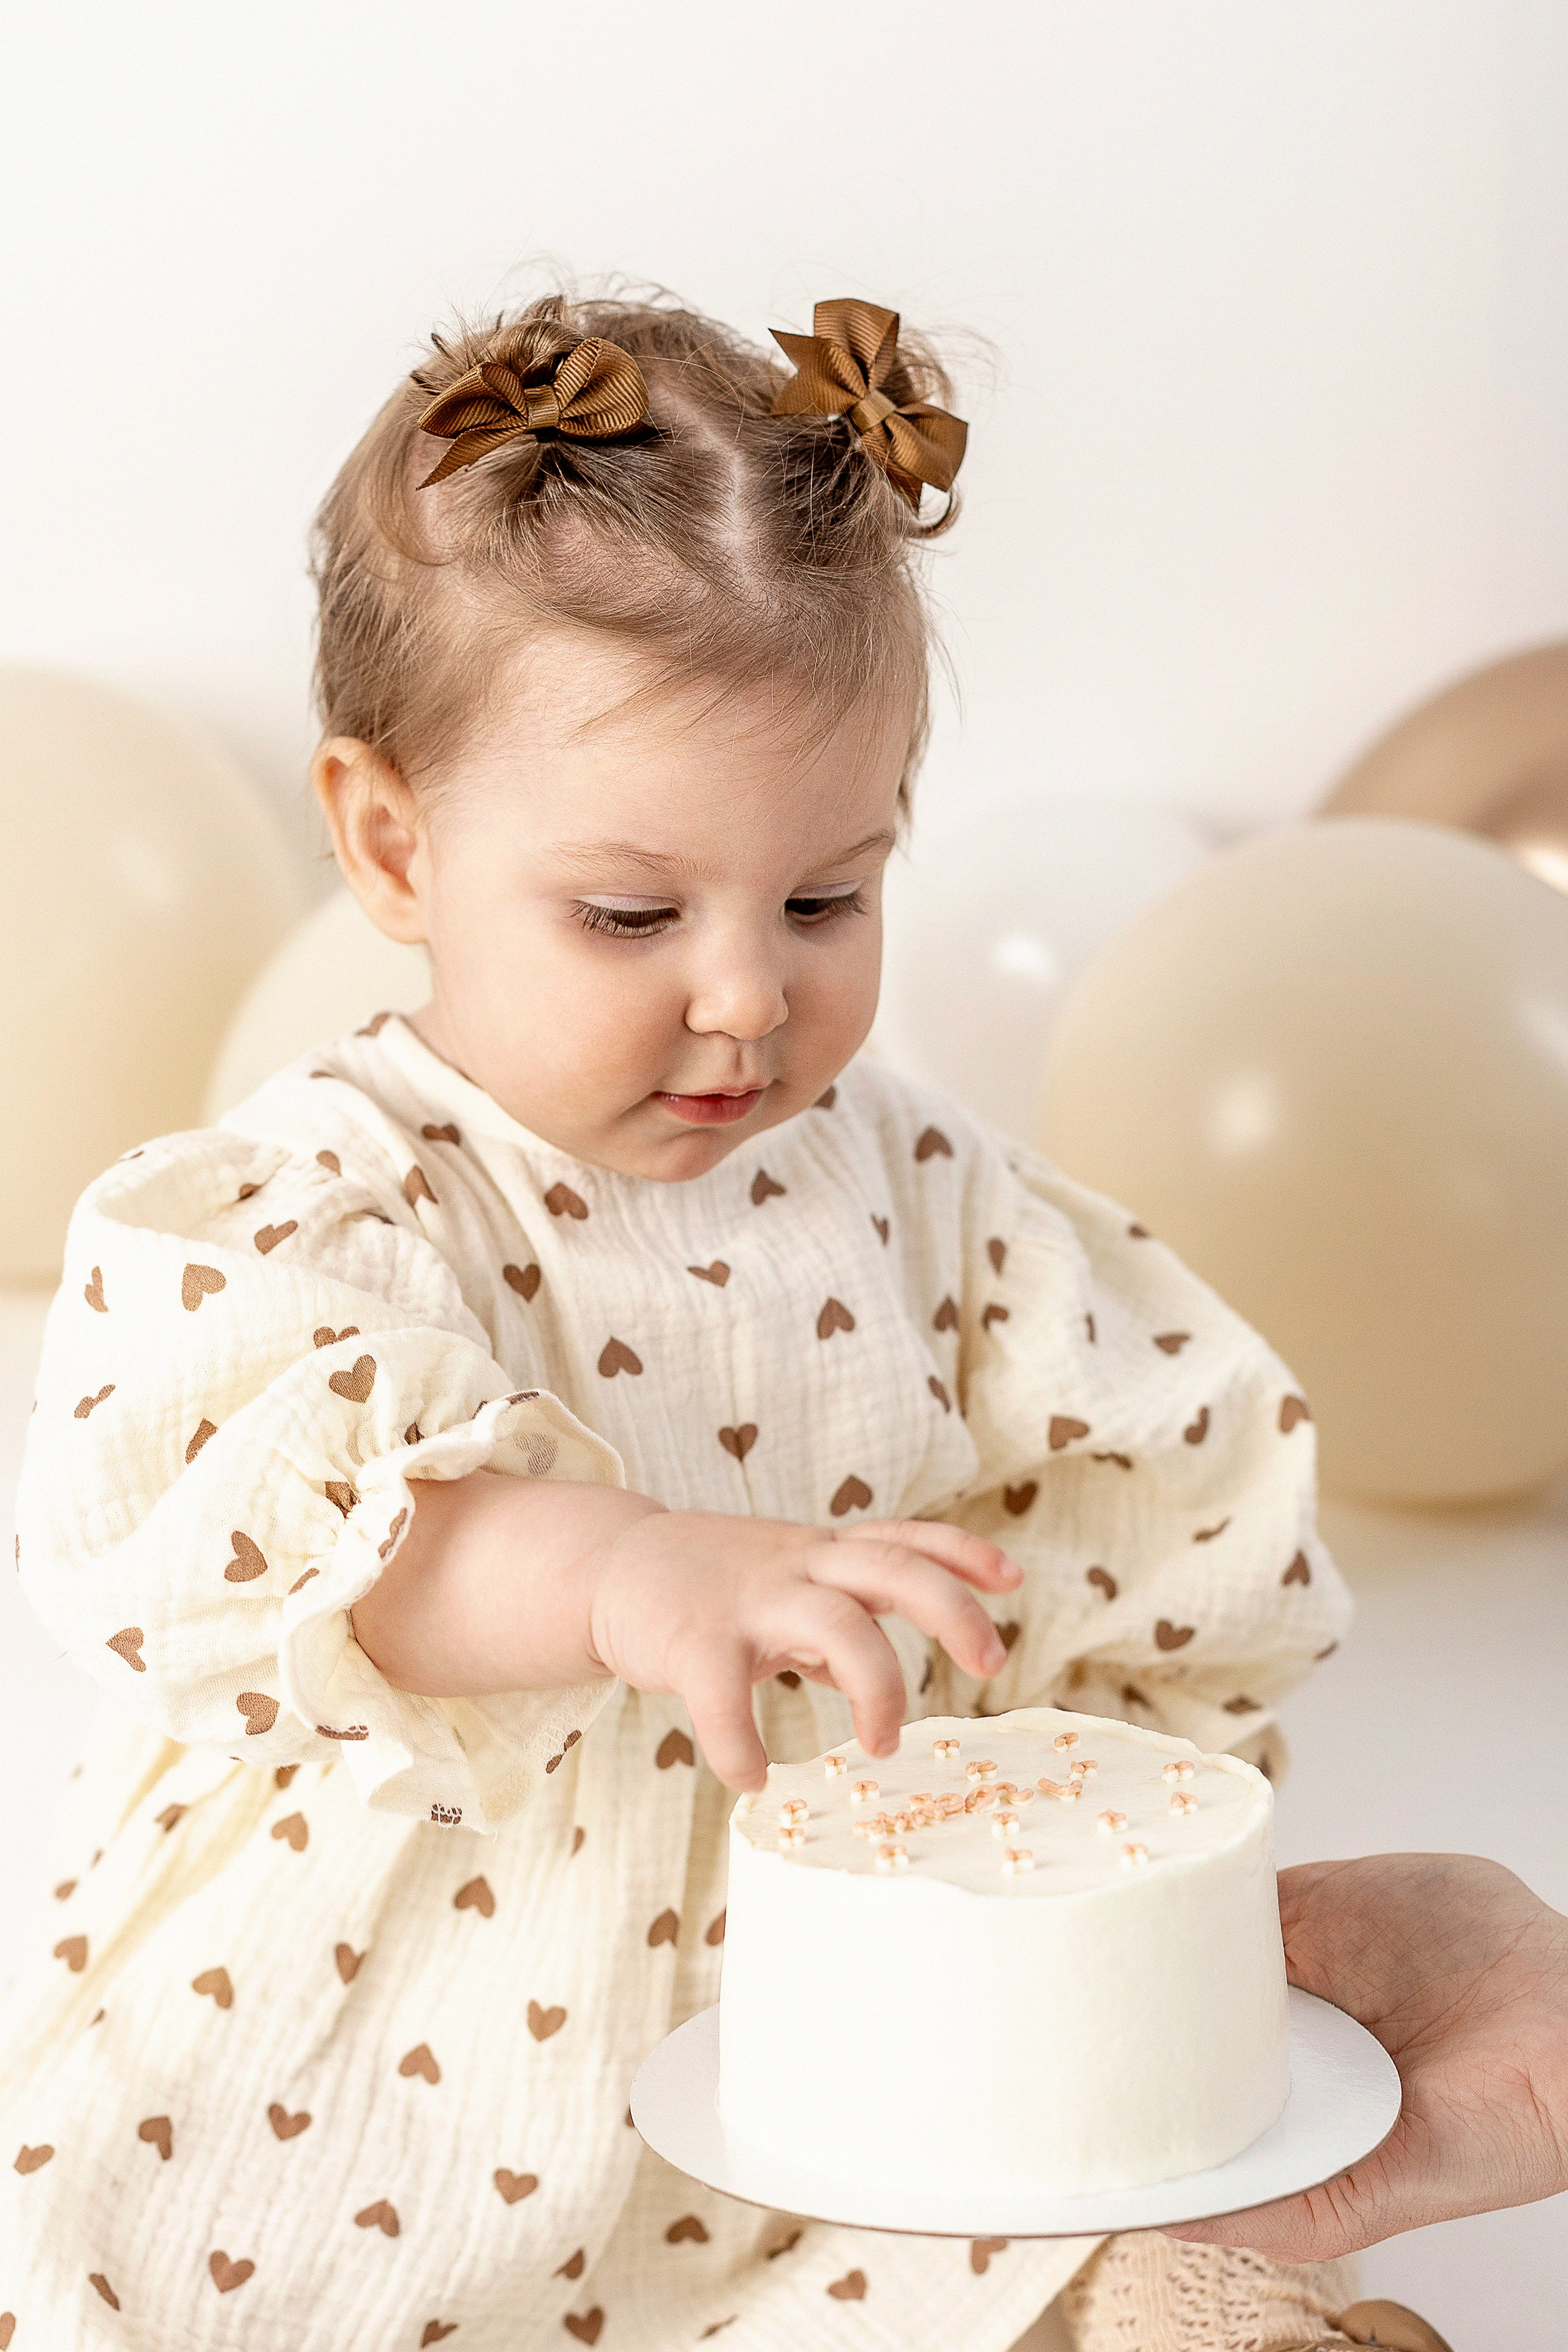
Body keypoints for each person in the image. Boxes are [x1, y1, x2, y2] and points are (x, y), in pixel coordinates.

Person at [4, 286, 1354, 2352]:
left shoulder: (921, 1183)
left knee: (1001, 2242)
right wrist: (630, 1572)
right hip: (404, 1987)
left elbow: (1151, 1486)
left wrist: (1103, 1822)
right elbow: (278, 1518)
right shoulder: (335, 1194)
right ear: (391, 841)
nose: (747, 995)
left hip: (833, 1991)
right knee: (179, 2250)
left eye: (829, 897)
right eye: (633, 915)